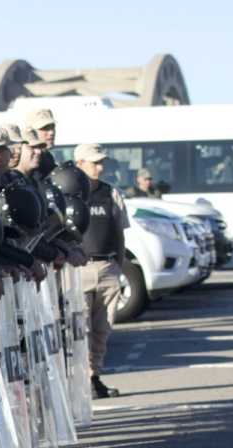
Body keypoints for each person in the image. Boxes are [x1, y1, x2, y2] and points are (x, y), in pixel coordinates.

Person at [75, 142, 128, 399]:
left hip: (107, 267)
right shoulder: (70, 194)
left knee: (102, 328)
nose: (99, 166)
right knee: (80, 327)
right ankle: (81, 380)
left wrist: (119, 266)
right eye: (93, 162)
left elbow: (119, 233)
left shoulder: (111, 193)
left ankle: (95, 376)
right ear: (79, 164)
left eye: (101, 162)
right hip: (80, 269)